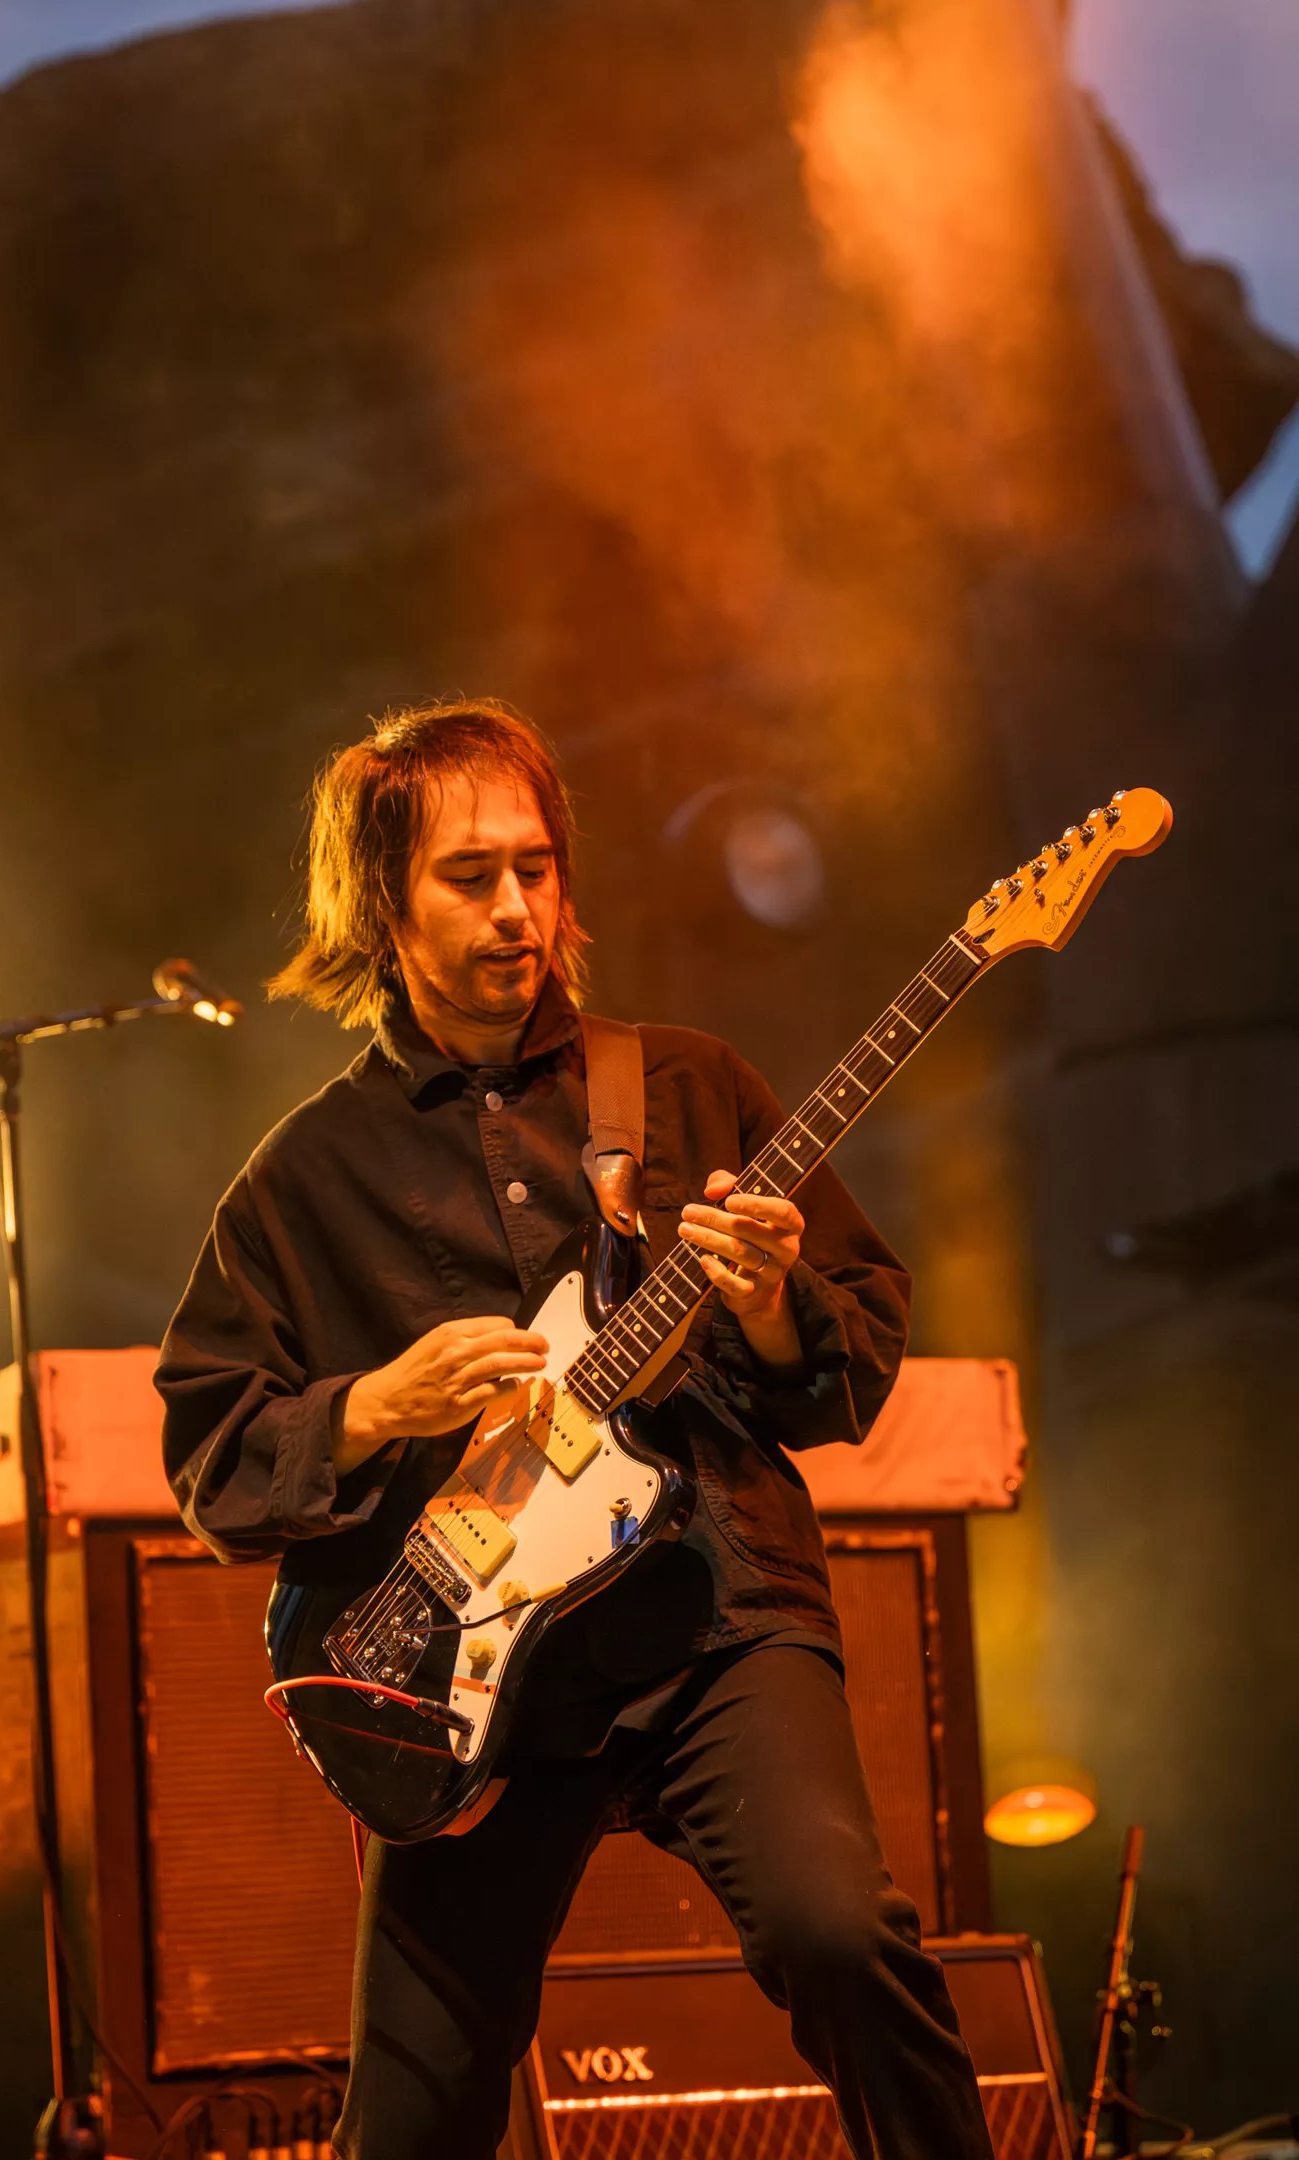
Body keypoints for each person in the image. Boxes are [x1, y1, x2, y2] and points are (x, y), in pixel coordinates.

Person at [155, 698, 995, 2160]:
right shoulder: (303, 1180)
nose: (515, 909)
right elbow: (212, 1457)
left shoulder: (685, 1087)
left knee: (844, 1938)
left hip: (713, 1618)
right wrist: (374, 1406)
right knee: (410, 2114)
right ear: (382, 904)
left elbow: (850, 1359)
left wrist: (772, 1304)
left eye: (535, 869)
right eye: (469, 876)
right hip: (469, 1684)